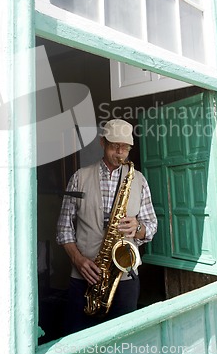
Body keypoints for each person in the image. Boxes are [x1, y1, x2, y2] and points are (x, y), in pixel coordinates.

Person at [56, 119, 157, 334]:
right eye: (115, 146)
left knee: (123, 342)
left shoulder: (138, 179)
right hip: (84, 277)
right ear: (103, 143)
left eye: (126, 148)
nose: (121, 153)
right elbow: (63, 228)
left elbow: (151, 226)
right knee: (77, 340)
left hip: (124, 278)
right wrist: (78, 260)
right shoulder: (79, 178)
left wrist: (138, 227)